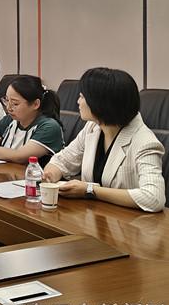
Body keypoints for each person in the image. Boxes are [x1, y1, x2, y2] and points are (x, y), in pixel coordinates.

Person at [43, 68, 166, 212]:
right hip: (93, 214)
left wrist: (90, 190)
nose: (78, 101)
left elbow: (153, 198)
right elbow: (63, 160)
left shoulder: (145, 142)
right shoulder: (93, 127)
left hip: (129, 220)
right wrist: (51, 174)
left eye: (82, 97)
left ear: (99, 103)